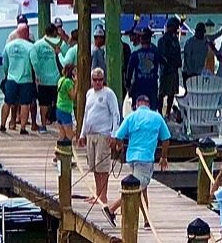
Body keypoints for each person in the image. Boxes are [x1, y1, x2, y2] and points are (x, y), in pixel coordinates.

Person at [108, 95, 170, 217]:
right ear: (148, 105)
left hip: (132, 158)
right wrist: (163, 157)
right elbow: (166, 138)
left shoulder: (131, 116)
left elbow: (118, 136)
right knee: (135, 190)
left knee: (142, 188)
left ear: (136, 105)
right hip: (145, 158)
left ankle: (147, 219)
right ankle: (111, 209)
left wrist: (119, 146)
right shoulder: (157, 117)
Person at [79, 67, 122, 216]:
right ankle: (97, 193)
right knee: (94, 166)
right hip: (90, 134)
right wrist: (82, 134)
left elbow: (116, 114)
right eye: (95, 80)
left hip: (104, 134)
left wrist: (114, 134)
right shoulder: (89, 93)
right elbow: (86, 114)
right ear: (91, 80)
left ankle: (103, 195)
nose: (97, 82)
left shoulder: (109, 94)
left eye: (100, 80)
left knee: (103, 166)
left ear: (103, 80)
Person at [2, 19, 36, 134]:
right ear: (26, 32)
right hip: (26, 79)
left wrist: (6, 73)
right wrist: (37, 76)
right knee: (25, 104)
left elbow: (5, 63)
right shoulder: (30, 46)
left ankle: (2, 125)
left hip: (11, 78)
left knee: (7, 102)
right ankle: (22, 128)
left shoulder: (8, 46)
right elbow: (34, 63)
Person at [32, 21, 67, 129]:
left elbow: (34, 61)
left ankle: (43, 125)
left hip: (43, 80)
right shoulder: (62, 43)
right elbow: (66, 60)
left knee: (43, 103)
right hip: (58, 79)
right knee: (59, 103)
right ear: (55, 31)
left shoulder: (37, 44)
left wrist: (37, 75)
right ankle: (60, 125)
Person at [157, 18, 184, 116]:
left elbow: (177, 54)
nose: (176, 29)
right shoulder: (162, 40)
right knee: (162, 93)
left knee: (172, 93)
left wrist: (177, 63)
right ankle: (159, 112)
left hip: (174, 70)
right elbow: (160, 56)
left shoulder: (175, 40)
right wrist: (167, 64)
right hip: (165, 71)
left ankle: (168, 112)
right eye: (175, 27)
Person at [54, 62, 77, 141]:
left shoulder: (61, 79)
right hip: (66, 110)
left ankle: (60, 150)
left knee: (62, 134)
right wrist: (76, 83)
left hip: (59, 108)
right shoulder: (68, 82)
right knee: (69, 135)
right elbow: (73, 96)